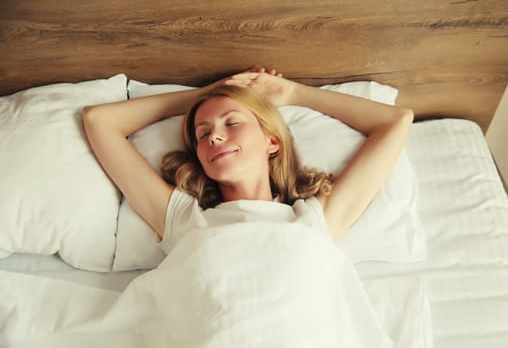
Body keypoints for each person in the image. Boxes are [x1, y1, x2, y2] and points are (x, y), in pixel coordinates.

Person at [82, 68, 413, 245]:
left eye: (232, 122)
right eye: (202, 133)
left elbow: (396, 121)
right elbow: (99, 121)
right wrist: (208, 94)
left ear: (272, 141)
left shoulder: (313, 221)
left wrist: (295, 93)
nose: (214, 135)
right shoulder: (182, 219)